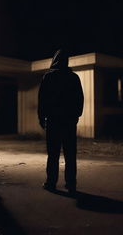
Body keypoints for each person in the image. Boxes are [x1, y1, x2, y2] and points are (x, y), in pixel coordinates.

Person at [38, 49, 84, 194]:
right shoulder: (73, 78)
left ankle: (51, 182)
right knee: (70, 154)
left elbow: (42, 100)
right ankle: (71, 184)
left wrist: (41, 117)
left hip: (53, 121)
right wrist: (76, 116)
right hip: (69, 122)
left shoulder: (48, 77)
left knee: (53, 154)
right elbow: (79, 99)